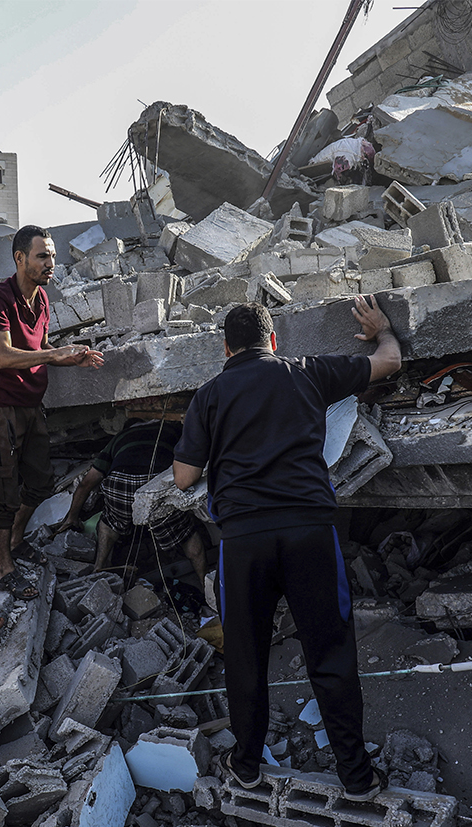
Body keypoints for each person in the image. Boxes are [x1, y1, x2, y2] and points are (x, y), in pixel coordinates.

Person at [172, 297, 402, 801]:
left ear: (225, 348)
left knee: (246, 656)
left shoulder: (209, 396)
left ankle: (248, 765)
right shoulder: (308, 372)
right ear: (273, 340)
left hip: (245, 543)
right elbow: (389, 362)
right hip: (310, 533)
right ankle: (357, 776)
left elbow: (185, 475)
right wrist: (383, 328)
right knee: (331, 651)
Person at [0, 224, 103, 598]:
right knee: (5, 490)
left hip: (33, 405)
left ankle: (16, 541)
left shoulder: (43, 300)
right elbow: (1, 356)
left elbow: (44, 346)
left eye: (52, 255)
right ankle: (3, 568)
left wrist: (73, 359)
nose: (51, 263)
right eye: (42, 256)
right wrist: (53, 355)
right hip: (3, 407)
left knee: (40, 482)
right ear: (20, 258)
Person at [61, 417, 207, 582]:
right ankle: (205, 585)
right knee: (185, 533)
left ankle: (99, 566)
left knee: (109, 523)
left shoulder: (119, 438)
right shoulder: (169, 428)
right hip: (156, 482)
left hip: (120, 483)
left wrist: (72, 516)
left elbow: (86, 484)